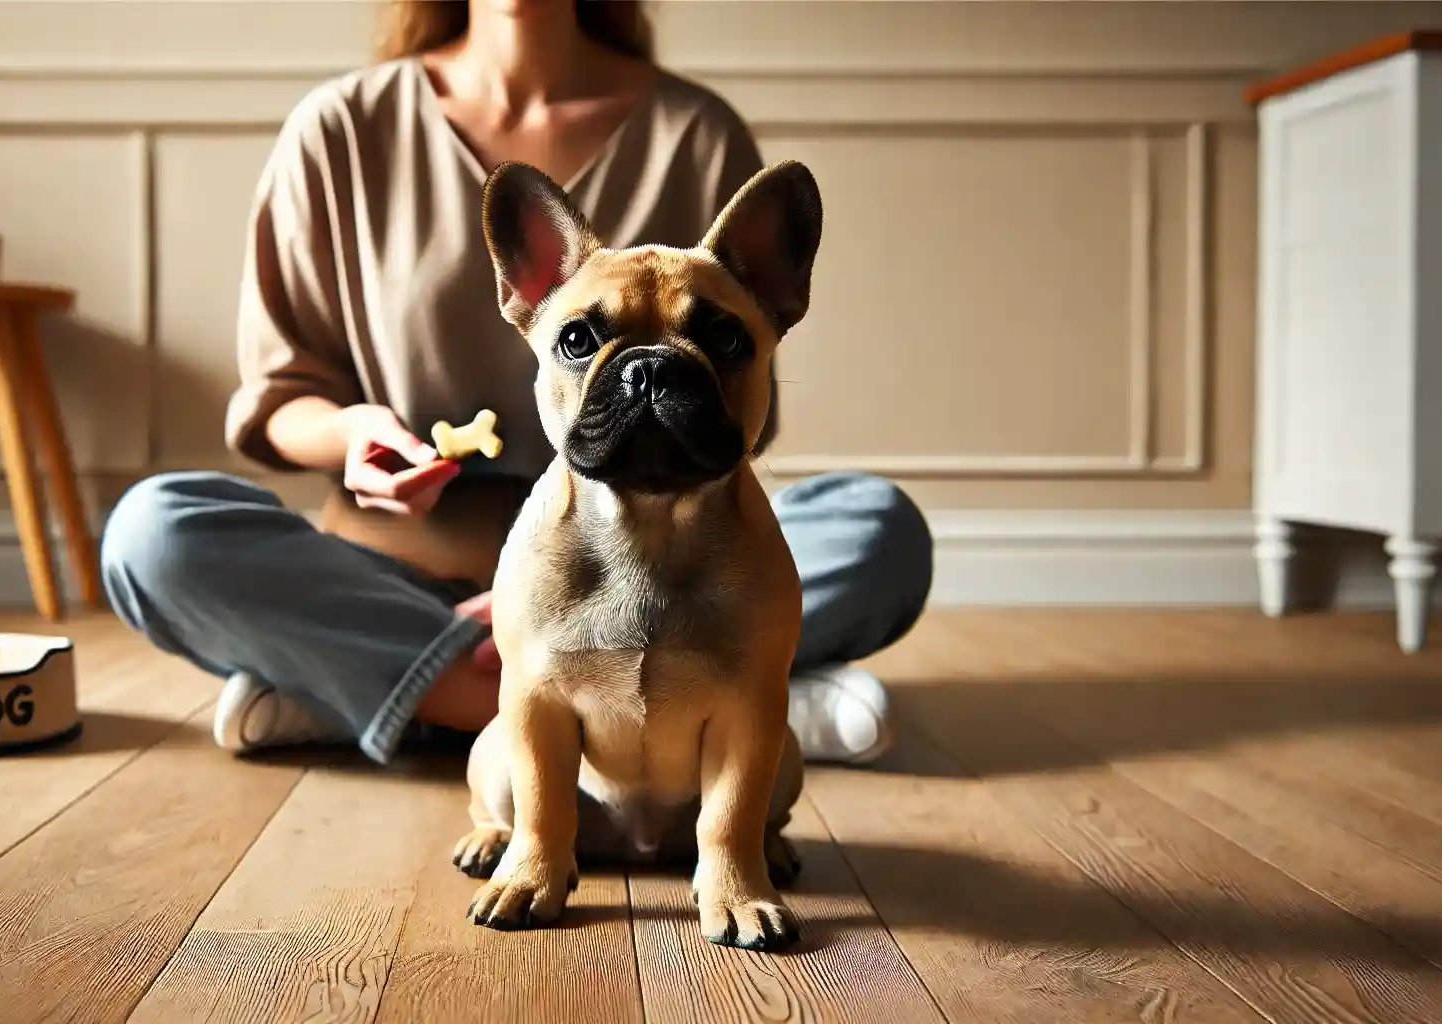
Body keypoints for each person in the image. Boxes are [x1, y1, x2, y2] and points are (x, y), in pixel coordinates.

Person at [100, 0, 933, 768]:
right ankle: (705, 719)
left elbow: (740, 403)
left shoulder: (697, 132)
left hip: (658, 576)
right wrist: (355, 434)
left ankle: (359, 690)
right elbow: (282, 396)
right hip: (396, 579)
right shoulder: (341, 128)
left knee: (876, 528)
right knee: (155, 535)